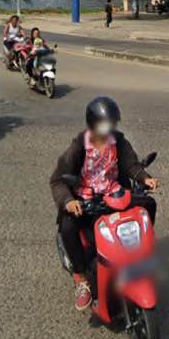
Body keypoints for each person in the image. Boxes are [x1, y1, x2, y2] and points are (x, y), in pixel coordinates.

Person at [49, 97, 159, 311]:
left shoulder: (118, 140)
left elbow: (131, 164)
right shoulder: (79, 145)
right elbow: (58, 179)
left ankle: (139, 254)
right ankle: (81, 279)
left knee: (148, 205)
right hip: (86, 200)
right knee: (68, 227)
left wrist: (145, 178)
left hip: (113, 194)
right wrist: (69, 201)